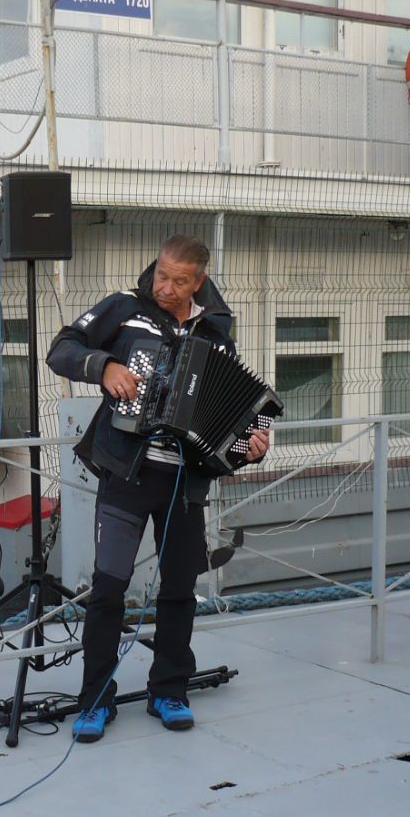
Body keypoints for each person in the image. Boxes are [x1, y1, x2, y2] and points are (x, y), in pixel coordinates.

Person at [46, 234, 270, 743]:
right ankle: (95, 700)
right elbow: (61, 350)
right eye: (161, 275)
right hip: (128, 474)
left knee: (178, 591)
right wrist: (104, 366)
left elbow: (230, 425)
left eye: (179, 280)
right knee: (107, 590)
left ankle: (169, 691)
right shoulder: (125, 310)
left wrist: (253, 444)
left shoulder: (216, 333)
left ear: (200, 281)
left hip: (184, 485)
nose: (165, 287)